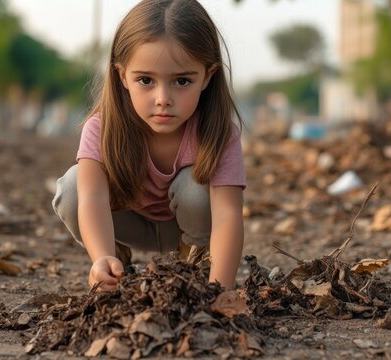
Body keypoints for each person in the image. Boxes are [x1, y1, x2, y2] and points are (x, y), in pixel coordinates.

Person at [53, 0, 246, 291]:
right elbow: (91, 197)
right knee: (72, 188)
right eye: (146, 80)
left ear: (207, 76)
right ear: (122, 76)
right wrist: (101, 256)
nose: (162, 98)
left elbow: (227, 215)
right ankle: (115, 264)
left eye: (181, 81)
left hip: (186, 231)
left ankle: (193, 265)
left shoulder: (218, 133)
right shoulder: (103, 128)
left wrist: (220, 290)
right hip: (123, 222)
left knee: (196, 191)